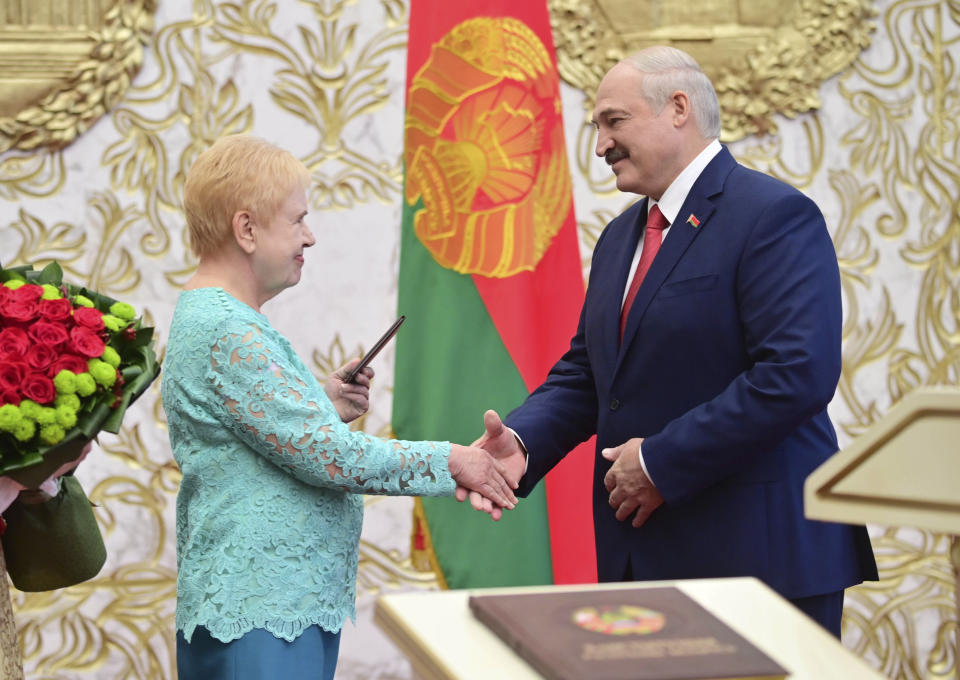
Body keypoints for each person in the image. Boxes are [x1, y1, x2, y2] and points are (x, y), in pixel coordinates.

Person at [464, 46, 878, 638]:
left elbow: (795, 374)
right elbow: (591, 371)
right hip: (645, 561)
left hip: (759, 562)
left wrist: (660, 461)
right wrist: (523, 444)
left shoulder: (773, 214)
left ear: (678, 107)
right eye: (597, 127)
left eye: (614, 121)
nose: (600, 144)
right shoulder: (619, 236)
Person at [161, 134, 517, 680]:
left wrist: (319, 404)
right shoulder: (228, 330)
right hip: (261, 612)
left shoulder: (222, 320)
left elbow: (268, 441)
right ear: (247, 229)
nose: (311, 236)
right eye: (297, 219)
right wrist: (450, 460)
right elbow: (328, 457)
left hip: (270, 607)